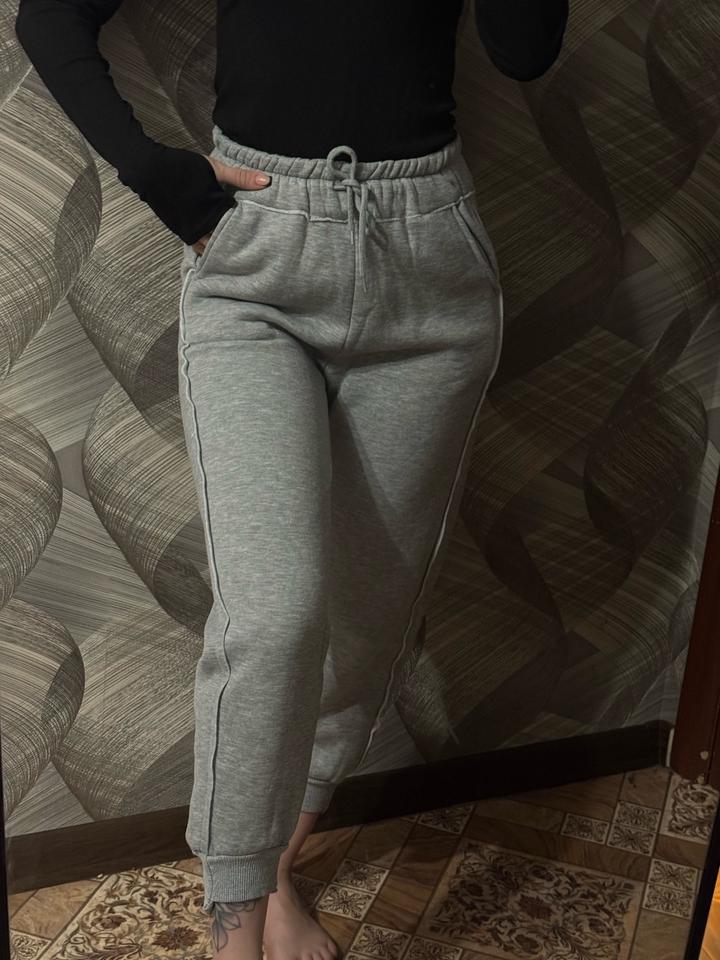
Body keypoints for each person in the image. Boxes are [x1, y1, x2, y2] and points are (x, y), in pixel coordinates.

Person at [14, 1, 569, 958]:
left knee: (366, 627)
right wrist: (153, 170)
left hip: (430, 266)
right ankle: (232, 932)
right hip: (258, 263)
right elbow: (52, 16)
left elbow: (524, 49)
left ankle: (277, 874)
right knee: (273, 620)